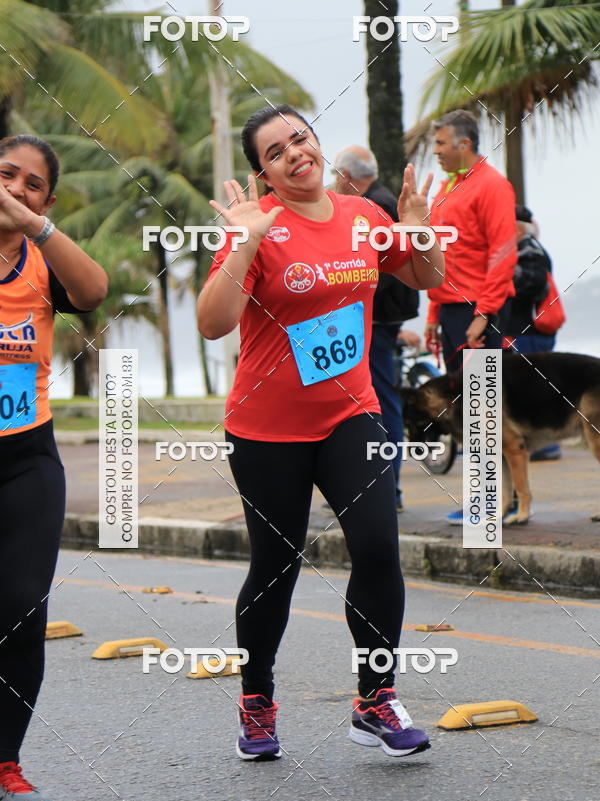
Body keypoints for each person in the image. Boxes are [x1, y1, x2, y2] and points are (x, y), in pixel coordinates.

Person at [197, 105, 444, 761]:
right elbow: (213, 322)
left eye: (300, 139)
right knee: (276, 569)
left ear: (316, 143)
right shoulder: (258, 228)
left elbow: (427, 277)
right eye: (276, 152)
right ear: (265, 173)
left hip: (350, 415)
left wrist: (419, 234)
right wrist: (245, 241)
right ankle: (256, 698)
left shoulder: (363, 217)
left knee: (377, 548)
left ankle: (375, 698)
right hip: (267, 429)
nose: (294, 154)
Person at [0, 135, 108, 801]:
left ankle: (6, 764)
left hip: (27, 460)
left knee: (20, 611)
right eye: (5, 174)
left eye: (32, 184)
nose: (15, 187)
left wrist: (36, 226)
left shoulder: (41, 259)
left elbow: (94, 291)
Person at [424, 110, 517, 523]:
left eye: (441, 143)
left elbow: (502, 254)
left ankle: (496, 504)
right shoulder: (446, 188)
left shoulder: (493, 186)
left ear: (464, 144)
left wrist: (485, 313)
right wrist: (433, 310)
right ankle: (485, 501)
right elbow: (439, 257)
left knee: (482, 408)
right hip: (450, 309)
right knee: (466, 406)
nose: (436, 151)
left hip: (478, 310)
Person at [333, 145, 421, 511]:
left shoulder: (375, 206)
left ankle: (390, 489)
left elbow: (380, 268)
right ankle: (376, 487)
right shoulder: (372, 202)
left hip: (378, 319)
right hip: (378, 317)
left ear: (347, 176)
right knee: (374, 399)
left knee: (383, 401)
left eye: (334, 175)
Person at [503, 205, 563, 461]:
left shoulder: (529, 250)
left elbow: (532, 284)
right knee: (529, 387)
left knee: (532, 388)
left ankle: (544, 444)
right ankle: (536, 442)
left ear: (516, 227)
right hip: (524, 330)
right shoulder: (525, 248)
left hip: (529, 330)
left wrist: (500, 277)